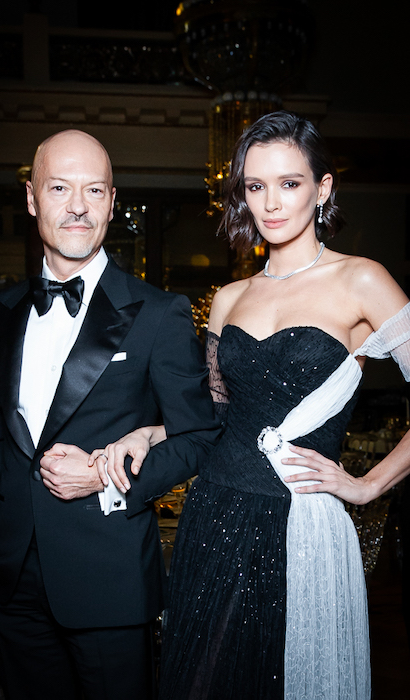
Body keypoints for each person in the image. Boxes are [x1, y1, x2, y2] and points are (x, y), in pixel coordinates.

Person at [101, 111, 410, 700]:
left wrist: (368, 485)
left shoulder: (362, 281)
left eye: (289, 183)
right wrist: (149, 433)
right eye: (255, 185)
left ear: (323, 188)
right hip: (214, 512)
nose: (271, 203)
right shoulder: (229, 297)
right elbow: (213, 418)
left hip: (300, 523)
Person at [0, 129, 220, 700]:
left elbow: (200, 435)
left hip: (108, 575)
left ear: (111, 202)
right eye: (59, 187)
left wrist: (107, 476)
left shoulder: (159, 312)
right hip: (9, 577)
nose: (77, 206)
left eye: (94, 190)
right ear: (32, 198)